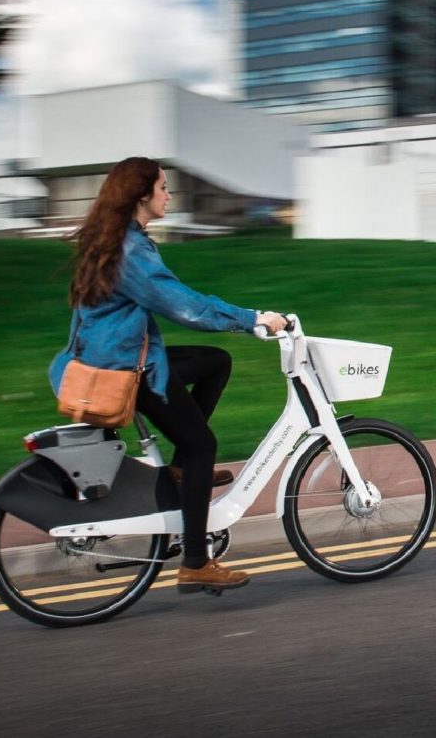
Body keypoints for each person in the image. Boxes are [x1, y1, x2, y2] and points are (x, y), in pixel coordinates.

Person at [49, 156, 287, 594]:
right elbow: (184, 306)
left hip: (121, 358)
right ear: (142, 195)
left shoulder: (117, 239)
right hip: (125, 371)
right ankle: (196, 561)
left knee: (215, 362)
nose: (168, 194)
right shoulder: (130, 250)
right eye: (163, 186)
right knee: (204, 445)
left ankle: (180, 473)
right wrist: (254, 318)